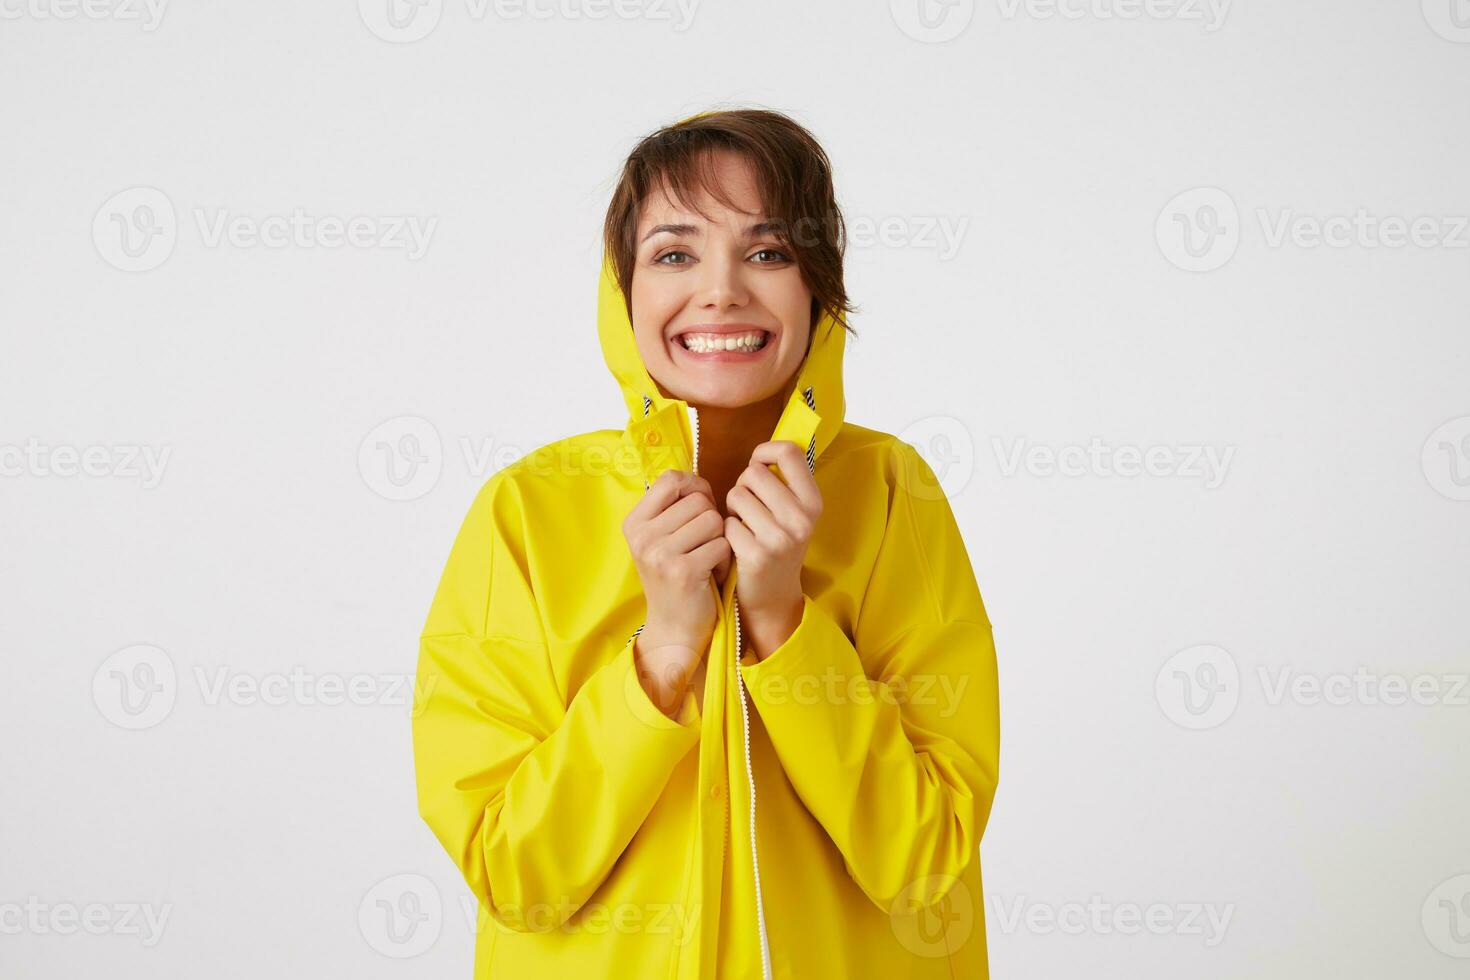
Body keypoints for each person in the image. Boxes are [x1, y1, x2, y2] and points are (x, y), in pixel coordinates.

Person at [412, 107, 1000, 979]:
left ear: (818, 288)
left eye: (767, 251)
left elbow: (924, 866)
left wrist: (781, 620)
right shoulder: (526, 512)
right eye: (675, 253)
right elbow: (516, 877)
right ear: (625, 291)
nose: (722, 291)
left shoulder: (891, 494)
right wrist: (666, 650)